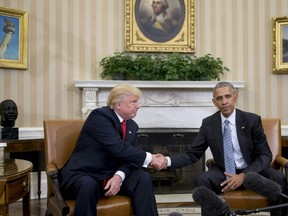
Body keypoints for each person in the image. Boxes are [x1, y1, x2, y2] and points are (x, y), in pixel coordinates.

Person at [157, 82, 288, 216]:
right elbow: (192, 154)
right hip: (225, 172)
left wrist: (244, 175)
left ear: (235, 98)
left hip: (254, 171)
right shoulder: (208, 123)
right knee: (202, 179)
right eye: (219, 98)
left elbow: (265, 155)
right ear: (214, 102)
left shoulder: (251, 120)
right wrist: (166, 161)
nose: (224, 102)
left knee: (278, 178)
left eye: (228, 96)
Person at [59, 84, 166, 216]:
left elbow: (130, 158)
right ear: (118, 104)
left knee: (142, 178)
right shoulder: (99, 117)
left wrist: (119, 176)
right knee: (88, 184)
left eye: (137, 102)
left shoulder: (132, 125)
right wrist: (151, 158)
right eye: (133, 102)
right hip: (84, 174)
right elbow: (118, 148)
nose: (138, 106)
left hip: (109, 176)